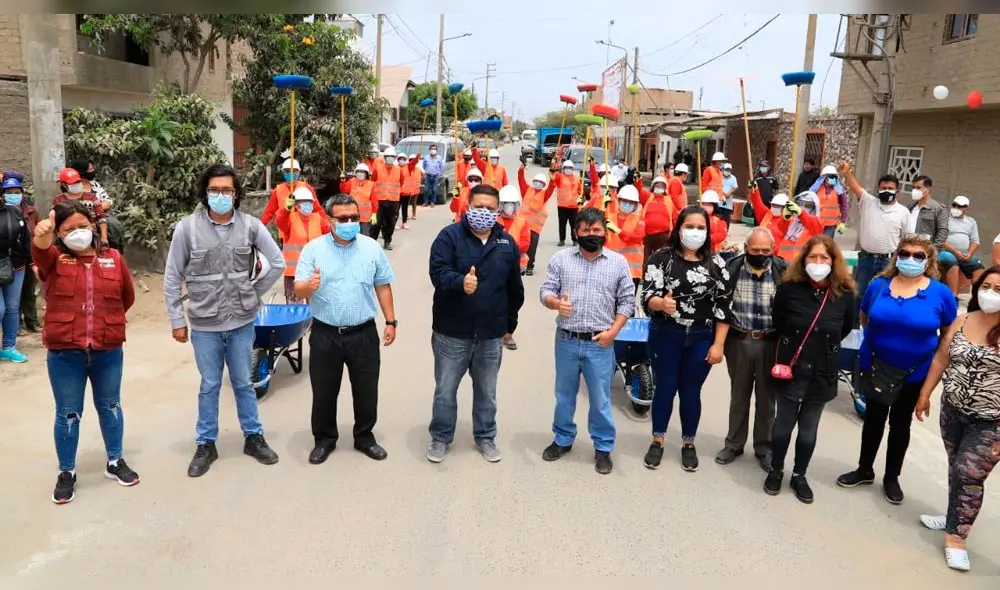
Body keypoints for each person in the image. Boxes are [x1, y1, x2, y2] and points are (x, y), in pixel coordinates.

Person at [163, 164, 285, 477]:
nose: (221, 195)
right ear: (205, 192)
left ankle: (253, 437)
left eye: (227, 190)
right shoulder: (187, 229)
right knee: (210, 385)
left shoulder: (251, 226)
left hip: (242, 321)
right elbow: (173, 275)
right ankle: (206, 444)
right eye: (215, 190)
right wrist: (177, 318)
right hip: (205, 324)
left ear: (236, 193)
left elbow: (277, 262)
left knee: (244, 383)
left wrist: (253, 293)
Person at [837, 236, 957, 503]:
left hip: (914, 372)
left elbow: (948, 332)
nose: (910, 259)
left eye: (918, 256)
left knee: (900, 424)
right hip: (877, 366)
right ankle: (864, 469)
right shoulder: (879, 285)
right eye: (905, 253)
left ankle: (892, 478)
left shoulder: (940, 293)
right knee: (873, 419)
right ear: (896, 255)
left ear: (928, 261)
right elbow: (865, 317)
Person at [32, 201, 138, 503]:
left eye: (82, 226)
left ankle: (115, 462)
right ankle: (67, 472)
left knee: (111, 406)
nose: (77, 233)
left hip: (107, 349)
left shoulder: (114, 259)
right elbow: (39, 249)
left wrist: (106, 321)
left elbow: (126, 298)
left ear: (92, 226)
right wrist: (45, 232)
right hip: (66, 353)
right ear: (60, 235)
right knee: (68, 413)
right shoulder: (54, 260)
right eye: (68, 230)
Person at [294, 194, 397, 465]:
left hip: (363, 333)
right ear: (330, 220)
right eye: (343, 219)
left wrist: (391, 321)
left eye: (354, 217)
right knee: (324, 390)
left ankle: (364, 436)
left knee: (366, 389)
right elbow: (299, 287)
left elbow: (383, 284)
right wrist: (310, 286)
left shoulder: (371, 248)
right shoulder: (313, 250)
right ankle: (324, 439)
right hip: (325, 334)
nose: (350, 223)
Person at [426, 185, 524, 463]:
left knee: (487, 391)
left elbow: (514, 288)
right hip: (451, 332)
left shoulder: (506, 243)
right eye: (479, 206)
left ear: (498, 211)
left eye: (490, 208)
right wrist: (460, 282)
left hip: (490, 334)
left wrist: (509, 324)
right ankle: (441, 437)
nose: (484, 212)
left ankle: (486, 436)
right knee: (445, 389)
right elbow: (437, 273)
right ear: (468, 206)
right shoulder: (449, 237)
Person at [915, 266, 1000, 572]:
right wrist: (925, 394)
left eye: (998, 289)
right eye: (986, 286)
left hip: (992, 421)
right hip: (953, 410)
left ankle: (956, 538)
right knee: (956, 467)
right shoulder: (963, 320)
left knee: (969, 473)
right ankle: (954, 515)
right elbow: (941, 357)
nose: (990, 293)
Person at [539, 207, 634, 475]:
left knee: (601, 398)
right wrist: (556, 303)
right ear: (576, 232)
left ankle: (603, 447)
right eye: (586, 230)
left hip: (600, 343)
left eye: (596, 230)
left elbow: (627, 300)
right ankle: (562, 439)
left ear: (604, 231)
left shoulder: (617, 263)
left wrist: (613, 332)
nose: (591, 234)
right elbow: (545, 291)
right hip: (567, 340)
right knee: (564, 395)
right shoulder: (561, 259)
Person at [763, 235, 856, 503]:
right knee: (782, 427)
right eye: (813, 257)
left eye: (824, 258)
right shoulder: (789, 289)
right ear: (804, 260)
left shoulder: (845, 294)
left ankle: (799, 476)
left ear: (833, 261)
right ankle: (776, 470)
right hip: (790, 369)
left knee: (808, 431)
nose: (818, 262)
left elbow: (845, 327)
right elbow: (779, 322)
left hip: (822, 372)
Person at [642, 206, 733, 471]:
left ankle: (688, 443)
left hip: (702, 336)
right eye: (689, 226)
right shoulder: (661, 259)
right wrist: (661, 304)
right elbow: (647, 296)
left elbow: (724, 308)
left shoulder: (717, 265)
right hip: (666, 333)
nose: (695, 232)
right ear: (679, 228)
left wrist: (718, 345)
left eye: (700, 227)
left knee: (691, 392)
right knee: (665, 388)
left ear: (708, 231)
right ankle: (658, 440)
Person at [715, 227, 786, 471]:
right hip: (739, 341)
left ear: (772, 250)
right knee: (739, 395)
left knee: (767, 400)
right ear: (746, 249)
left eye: (766, 250)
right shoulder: (733, 268)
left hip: (770, 342)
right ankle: (734, 444)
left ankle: (764, 447)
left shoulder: (782, 270)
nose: (760, 254)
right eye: (755, 250)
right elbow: (721, 306)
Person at [837, 159, 909, 304]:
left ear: (897, 192)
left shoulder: (903, 212)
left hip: (888, 261)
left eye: (890, 188)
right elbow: (855, 186)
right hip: (866, 259)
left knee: (884, 295)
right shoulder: (868, 202)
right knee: (859, 294)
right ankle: (855, 325)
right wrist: (846, 172)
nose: (886, 190)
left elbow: (906, 239)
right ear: (878, 189)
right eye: (883, 188)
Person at [276, 185, 331, 303]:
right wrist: (286, 209)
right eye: (304, 202)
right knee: (295, 309)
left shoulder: (318, 218)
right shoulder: (290, 218)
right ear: (296, 204)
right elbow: (280, 222)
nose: (308, 205)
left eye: (310, 202)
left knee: (316, 307)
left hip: (315, 272)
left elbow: (330, 231)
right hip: (294, 273)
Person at [0, 181, 30, 363]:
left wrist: (31, 261)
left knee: (12, 307)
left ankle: (9, 347)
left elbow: (25, 240)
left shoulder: (14, 212)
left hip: (16, 265)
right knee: (0, 309)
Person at [7, 178, 40, 333]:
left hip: (30, 255)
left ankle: (32, 321)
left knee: (29, 290)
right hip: (10, 258)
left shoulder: (31, 211)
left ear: (22, 194)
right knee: (14, 293)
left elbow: (38, 231)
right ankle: (17, 324)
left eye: (16, 192)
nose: (13, 195)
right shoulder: (4, 212)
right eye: (9, 193)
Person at [260, 158, 325, 233]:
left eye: (294, 171)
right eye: (287, 171)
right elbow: (269, 212)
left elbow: (317, 209)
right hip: (285, 231)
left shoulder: (307, 188)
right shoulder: (277, 190)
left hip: (305, 230)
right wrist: (260, 227)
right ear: (283, 172)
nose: (291, 173)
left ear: (299, 172)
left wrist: (328, 227)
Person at [939, 195, 986, 296]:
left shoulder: (971, 221)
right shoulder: (944, 218)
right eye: (954, 205)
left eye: (960, 206)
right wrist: (955, 251)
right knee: (952, 263)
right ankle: (954, 296)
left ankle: (977, 298)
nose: (956, 208)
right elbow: (940, 239)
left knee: (979, 267)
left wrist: (970, 253)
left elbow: (975, 241)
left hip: (964, 253)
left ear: (966, 208)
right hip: (945, 251)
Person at [53, 167, 109, 247]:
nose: (77, 184)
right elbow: (54, 223)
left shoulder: (91, 198)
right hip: (68, 241)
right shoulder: (58, 201)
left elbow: (102, 217)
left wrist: (104, 238)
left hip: (91, 239)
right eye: (73, 183)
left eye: (78, 182)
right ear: (64, 185)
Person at [517, 164, 556, 276]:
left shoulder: (544, 195)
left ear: (543, 184)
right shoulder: (526, 190)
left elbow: (551, 188)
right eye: (536, 181)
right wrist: (521, 170)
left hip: (534, 228)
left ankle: (530, 266)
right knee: (520, 246)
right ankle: (519, 265)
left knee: (531, 249)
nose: (537, 183)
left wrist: (552, 180)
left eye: (540, 182)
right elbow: (521, 180)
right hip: (522, 226)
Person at [636, 174, 681, 266]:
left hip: (663, 236)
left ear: (665, 188)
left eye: (661, 186)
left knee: (661, 259)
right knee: (646, 259)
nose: (659, 187)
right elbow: (639, 191)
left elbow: (675, 217)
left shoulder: (669, 200)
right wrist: (638, 180)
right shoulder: (648, 197)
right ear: (653, 187)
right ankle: (645, 277)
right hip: (646, 235)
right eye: (657, 185)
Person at [606, 184, 646, 287]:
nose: (627, 204)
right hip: (610, 269)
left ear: (635, 205)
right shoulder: (609, 218)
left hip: (631, 271)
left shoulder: (640, 221)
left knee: (628, 301)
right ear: (618, 201)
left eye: (630, 202)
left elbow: (636, 238)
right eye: (624, 201)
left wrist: (618, 231)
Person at [775, 191, 824, 262]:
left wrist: (801, 213)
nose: (803, 207)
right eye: (800, 204)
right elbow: (781, 231)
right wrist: (784, 219)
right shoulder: (793, 219)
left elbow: (815, 226)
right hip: (782, 259)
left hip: (800, 262)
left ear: (814, 208)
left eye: (808, 206)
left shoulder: (816, 222)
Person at [369, 147, 403, 249]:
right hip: (380, 199)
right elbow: (373, 179)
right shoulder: (378, 168)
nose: (390, 158)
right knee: (376, 223)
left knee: (391, 223)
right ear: (384, 157)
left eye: (392, 157)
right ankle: (372, 242)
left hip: (393, 200)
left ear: (395, 158)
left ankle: (387, 241)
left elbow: (401, 182)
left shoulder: (398, 170)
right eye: (388, 156)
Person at [905, 175, 949, 248]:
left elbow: (943, 232)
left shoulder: (938, 208)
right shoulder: (910, 208)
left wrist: (933, 251)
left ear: (928, 189)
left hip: (924, 251)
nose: (914, 190)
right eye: (913, 188)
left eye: (918, 188)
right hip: (907, 249)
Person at [808, 165, 849, 237]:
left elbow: (844, 205)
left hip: (831, 225)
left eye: (834, 177)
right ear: (824, 178)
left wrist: (843, 221)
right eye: (830, 177)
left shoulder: (839, 190)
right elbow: (808, 202)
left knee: (826, 244)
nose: (832, 179)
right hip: (817, 222)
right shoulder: (816, 189)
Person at [339, 163, 378, 236]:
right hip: (352, 215)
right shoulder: (351, 181)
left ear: (366, 173)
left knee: (364, 236)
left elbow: (374, 201)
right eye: (358, 171)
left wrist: (374, 213)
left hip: (365, 217)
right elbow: (344, 191)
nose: (360, 173)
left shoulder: (371, 184)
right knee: (352, 235)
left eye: (362, 172)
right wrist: (343, 181)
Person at [550, 159, 582, 247]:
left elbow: (580, 191)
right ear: (563, 169)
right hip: (562, 206)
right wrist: (553, 165)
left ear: (573, 169)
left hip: (574, 206)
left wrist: (581, 200)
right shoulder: (560, 177)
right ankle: (562, 239)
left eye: (570, 168)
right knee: (562, 224)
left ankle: (575, 240)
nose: (568, 169)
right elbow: (553, 176)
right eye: (566, 168)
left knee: (574, 225)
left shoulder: (576, 179)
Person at [397, 152, 422, 230]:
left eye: (403, 159)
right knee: (396, 209)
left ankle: (404, 223)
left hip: (406, 193)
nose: (402, 160)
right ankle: (394, 223)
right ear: (398, 160)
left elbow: (414, 162)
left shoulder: (408, 167)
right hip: (397, 193)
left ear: (405, 160)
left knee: (405, 209)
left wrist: (418, 156)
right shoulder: (395, 168)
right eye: (400, 159)